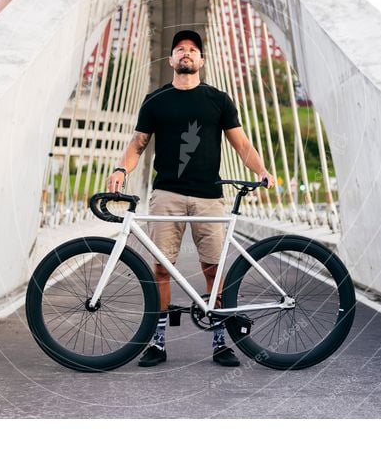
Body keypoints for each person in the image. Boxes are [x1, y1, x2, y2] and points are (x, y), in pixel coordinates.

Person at [105, 29, 275, 367]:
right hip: (166, 194)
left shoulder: (218, 99)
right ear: (171, 60)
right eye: (180, 49)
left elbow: (241, 145)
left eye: (193, 49)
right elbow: (138, 144)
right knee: (161, 270)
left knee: (213, 271)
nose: (186, 53)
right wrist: (121, 170)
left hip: (209, 197)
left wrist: (262, 170)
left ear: (202, 60)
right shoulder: (156, 100)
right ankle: (158, 342)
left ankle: (220, 341)